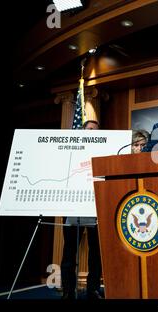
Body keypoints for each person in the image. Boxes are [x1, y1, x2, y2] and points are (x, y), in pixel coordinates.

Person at [61, 120, 103, 300]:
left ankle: (92, 289)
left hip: (96, 210)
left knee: (96, 255)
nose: (92, 132)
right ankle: (68, 291)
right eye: (89, 130)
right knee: (69, 254)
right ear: (83, 132)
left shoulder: (103, 152)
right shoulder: (72, 152)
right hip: (73, 208)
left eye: (95, 130)